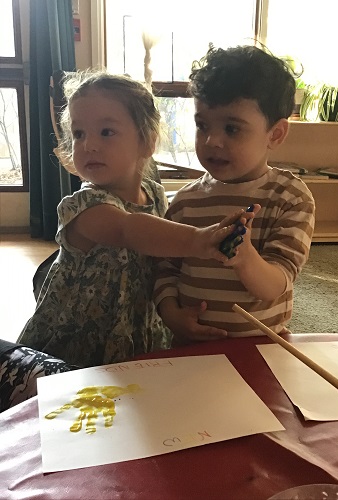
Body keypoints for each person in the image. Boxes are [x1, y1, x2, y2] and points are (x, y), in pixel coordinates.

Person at [17, 70, 253, 368]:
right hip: (77, 344)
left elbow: (163, 263)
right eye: (79, 133)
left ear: (147, 142)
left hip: (136, 330)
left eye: (106, 132)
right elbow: (129, 230)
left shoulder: (155, 195)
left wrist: (173, 311)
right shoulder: (84, 206)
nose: (88, 145)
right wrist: (198, 239)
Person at [153, 44, 316, 344]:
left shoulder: (290, 198)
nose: (212, 141)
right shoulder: (185, 201)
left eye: (232, 128)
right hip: (189, 344)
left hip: (260, 346)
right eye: (202, 125)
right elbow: (164, 269)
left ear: (275, 134)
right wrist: (171, 315)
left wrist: (245, 259)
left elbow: (278, 282)